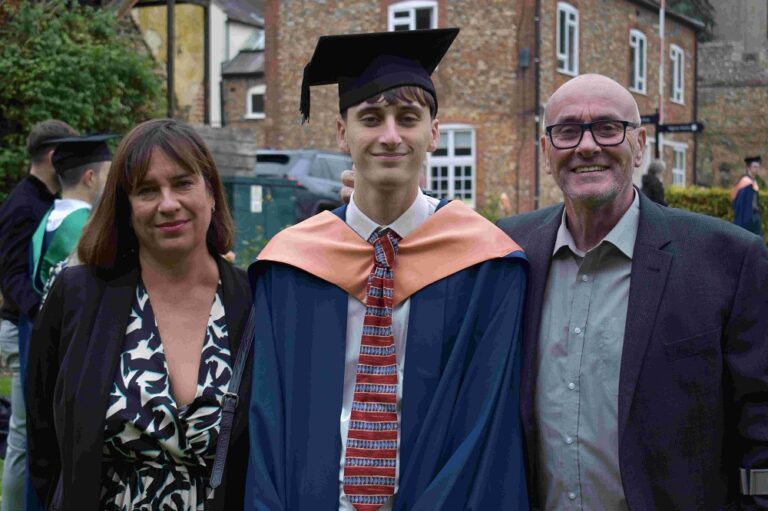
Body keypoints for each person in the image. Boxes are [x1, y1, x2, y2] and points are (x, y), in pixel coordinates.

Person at [245, 28, 529, 510]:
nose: (390, 135)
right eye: (371, 118)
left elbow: (487, 429)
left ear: (434, 133)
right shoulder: (290, 267)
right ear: (342, 132)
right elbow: (267, 422)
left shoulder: (487, 265)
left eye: (408, 118)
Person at [496, 74, 768, 509]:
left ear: (640, 144)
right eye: (567, 131)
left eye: (608, 128)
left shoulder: (726, 260)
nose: (587, 146)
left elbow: (760, 422)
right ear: (546, 151)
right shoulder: (509, 252)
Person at [26, 118, 253, 510]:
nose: (168, 204)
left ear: (211, 192)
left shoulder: (252, 302)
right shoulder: (78, 297)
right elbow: (43, 441)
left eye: (183, 183)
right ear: (126, 208)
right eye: (147, 190)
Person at [0, 119, 77, 511]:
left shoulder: (45, 200)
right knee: (23, 434)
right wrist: (43, 316)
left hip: (33, 328)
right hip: (21, 328)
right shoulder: (23, 205)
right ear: (52, 155)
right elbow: (11, 276)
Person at [29, 134, 115, 299]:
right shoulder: (91, 227)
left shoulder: (47, 219)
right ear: (90, 178)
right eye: (108, 175)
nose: (111, 182)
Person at [731, 155, 762, 235]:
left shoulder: (753, 181)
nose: (757, 169)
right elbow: (741, 204)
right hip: (746, 217)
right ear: (748, 168)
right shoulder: (745, 182)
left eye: (758, 167)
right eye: (755, 167)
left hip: (754, 216)